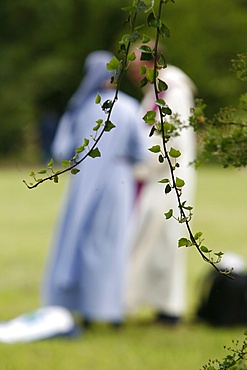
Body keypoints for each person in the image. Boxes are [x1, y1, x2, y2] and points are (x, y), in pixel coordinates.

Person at [41, 50, 148, 327]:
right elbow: (143, 152)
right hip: (117, 183)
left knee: (81, 241)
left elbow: (61, 149)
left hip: (84, 181)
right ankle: (112, 312)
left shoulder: (80, 108)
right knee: (112, 244)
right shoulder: (128, 107)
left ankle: (82, 309)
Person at [125, 44, 197, 324]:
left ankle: (169, 309)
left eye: (135, 68)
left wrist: (140, 162)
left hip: (171, 177)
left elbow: (172, 140)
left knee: (167, 241)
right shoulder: (152, 91)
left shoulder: (175, 91)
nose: (132, 74)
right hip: (153, 177)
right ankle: (145, 302)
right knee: (146, 239)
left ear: (152, 63)